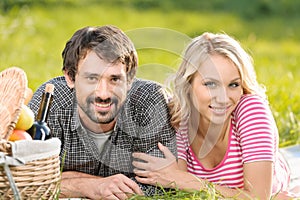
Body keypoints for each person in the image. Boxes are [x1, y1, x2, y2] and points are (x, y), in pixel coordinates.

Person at [132, 32, 299, 199]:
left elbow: (258, 197)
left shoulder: (251, 110)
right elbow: (179, 191)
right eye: (211, 84)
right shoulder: (178, 119)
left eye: (233, 84)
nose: (223, 98)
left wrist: (184, 180)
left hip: (275, 184)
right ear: (188, 85)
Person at [28, 25, 177, 199]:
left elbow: (164, 185)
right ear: (70, 77)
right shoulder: (50, 102)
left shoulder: (150, 101)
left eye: (114, 79)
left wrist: (63, 180)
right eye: (92, 78)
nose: (103, 94)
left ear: (129, 80)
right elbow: (26, 181)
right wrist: (89, 186)